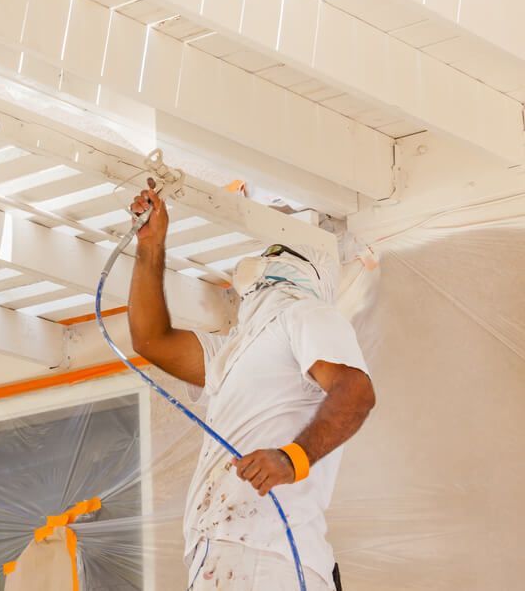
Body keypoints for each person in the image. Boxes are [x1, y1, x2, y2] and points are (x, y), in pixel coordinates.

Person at [128, 180, 375, 590]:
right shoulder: (235, 350)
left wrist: (292, 458)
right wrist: (151, 246)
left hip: (269, 554)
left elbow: (356, 392)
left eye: (278, 252)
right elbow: (151, 339)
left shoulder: (305, 314)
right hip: (224, 553)